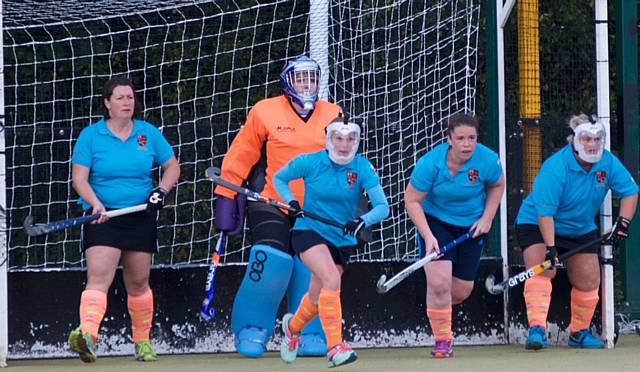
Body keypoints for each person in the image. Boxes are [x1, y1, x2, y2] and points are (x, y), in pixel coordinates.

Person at [214, 55, 342, 357]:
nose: (306, 84)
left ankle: (309, 328)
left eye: (312, 78)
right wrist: (225, 194)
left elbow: (344, 160)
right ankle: (251, 328)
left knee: (313, 266)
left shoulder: (333, 113)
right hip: (272, 200)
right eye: (300, 78)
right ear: (288, 82)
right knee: (271, 258)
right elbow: (242, 153)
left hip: (316, 207)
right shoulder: (265, 111)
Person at [68, 75, 181, 363]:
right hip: (102, 218)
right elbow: (79, 179)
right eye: (119, 98)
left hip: (140, 216)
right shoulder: (91, 136)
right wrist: (95, 204)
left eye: (130, 97)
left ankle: (142, 342)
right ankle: (88, 337)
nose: (126, 102)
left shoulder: (148, 133)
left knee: (139, 282)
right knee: (99, 278)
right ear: (107, 104)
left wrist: (160, 190)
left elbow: (172, 167)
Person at [515, 114, 638, 350]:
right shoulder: (556, 167)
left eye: (597, 139)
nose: (592, 144)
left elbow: (630, 192)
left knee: (590, 279)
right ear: (575, 140)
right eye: (586, 139)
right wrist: (551, 249)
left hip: (579, 228)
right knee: (543, 271)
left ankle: (578, 333)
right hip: (537, 223)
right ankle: (537, 330)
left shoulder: (608, 162)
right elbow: (545, 214)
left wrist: (623, 224)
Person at [274, 116, 389, 368]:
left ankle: (292, 329)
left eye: (350, 139)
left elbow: (383, 207)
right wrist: (291, 202)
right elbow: (279, 178)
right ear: (329, 138)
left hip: (342, 239)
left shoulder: (362, 168)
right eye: (338, 138)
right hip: (309, 231)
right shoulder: (310, 161)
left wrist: (362, 221)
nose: (344, 145)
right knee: (332, 279)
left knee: (316, 298)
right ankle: (335, 347)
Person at [404, 112, 505, 358]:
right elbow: (412, 201)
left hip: (471, 226)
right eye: (461, 138)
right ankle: (443, 340)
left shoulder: (488, 160)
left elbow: (497, 184)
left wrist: (488, 217)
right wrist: (428, 236)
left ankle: (435, 306)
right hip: (436, 223)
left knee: (460, 291)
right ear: (450, 139)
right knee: (440, 285)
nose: (467, 144)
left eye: (472, 138)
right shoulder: (431, 163)